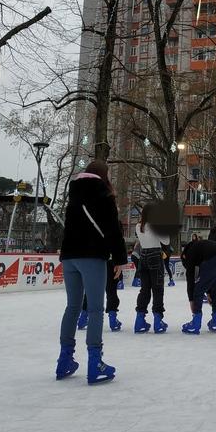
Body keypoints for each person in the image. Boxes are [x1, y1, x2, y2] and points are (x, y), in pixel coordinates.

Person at [56, 160, 126, 384]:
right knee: (95, 308)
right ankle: (95, 361)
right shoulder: (103, 195)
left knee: (72, 307)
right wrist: (119, 259)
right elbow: (113, 229)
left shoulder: (74, 195)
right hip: (92, 255)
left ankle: (64, 359)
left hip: (69, 257)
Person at [180, 227, 216, 334]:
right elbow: (207, 277)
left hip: (214, 258)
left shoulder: (189, 254)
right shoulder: (200, 247)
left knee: (198, 290)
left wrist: (191, 301)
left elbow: (191, 279)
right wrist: (208, 292)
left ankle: (196, 323)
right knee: (215, 288)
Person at [134, 203, 171, 334]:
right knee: (157, 289)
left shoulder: (139, 226)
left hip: (143, 256)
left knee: (144, 289)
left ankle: (139, 320)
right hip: (155, 255)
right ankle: (158, 320)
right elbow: (166, 241)